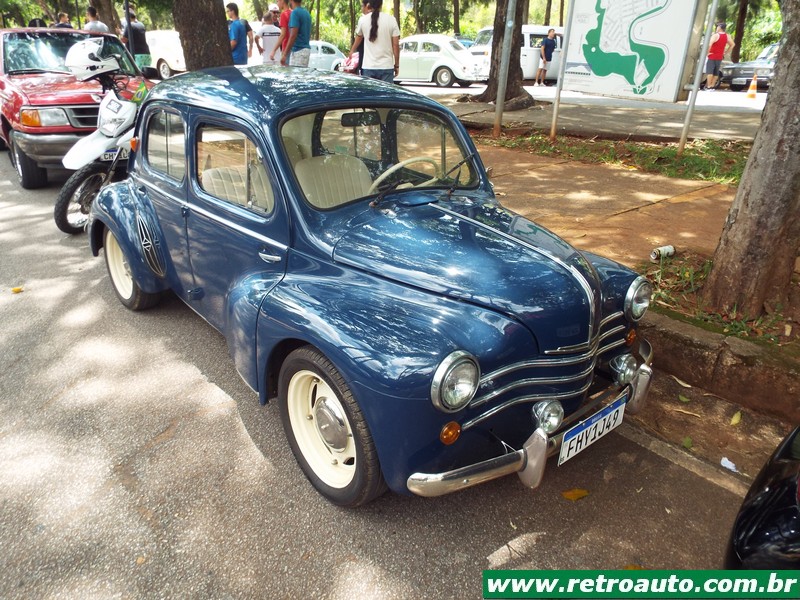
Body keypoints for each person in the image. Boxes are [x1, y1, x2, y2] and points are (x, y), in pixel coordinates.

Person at [348, 0, 400, 83]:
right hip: (386, 66)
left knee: (369, 92)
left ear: (369, 5)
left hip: (368, 67)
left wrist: (352, 50)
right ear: (381, 5)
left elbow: (359, 37)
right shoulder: (391, 20)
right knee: (386, 92)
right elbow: (395, 45)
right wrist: (396, 65)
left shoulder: (363, 20)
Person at [704, 22, 735, 91]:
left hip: (712, 56)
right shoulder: (727, 36)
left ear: (720, 28)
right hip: (720, 56)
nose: (716, 28)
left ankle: (709, 86)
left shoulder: (715, 35)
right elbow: (732, 45)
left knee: (710, 71)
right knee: (716, 72)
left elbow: (710, 45)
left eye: (717, 27)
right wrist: (726, 52)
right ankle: (712, 86)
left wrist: (707, 53)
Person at [281, 0, 311, 68]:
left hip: (298, 51)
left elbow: (293, 35)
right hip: (306, 50)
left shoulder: (295, 13)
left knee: (295, 74)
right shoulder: (306, 13)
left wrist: (285, 54)